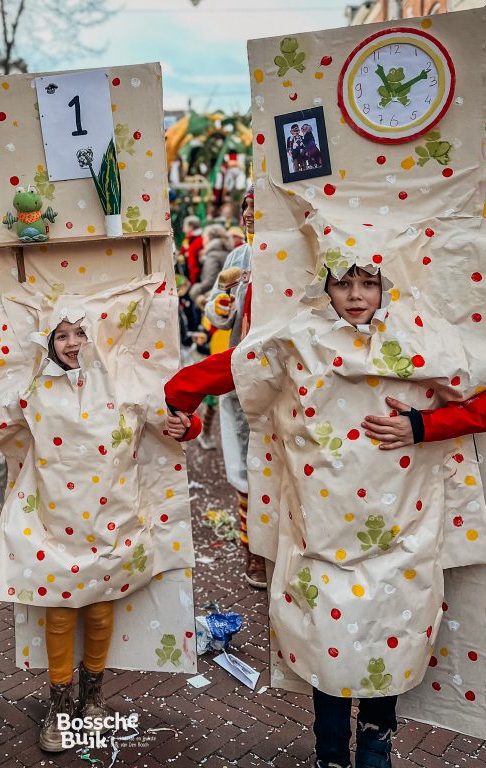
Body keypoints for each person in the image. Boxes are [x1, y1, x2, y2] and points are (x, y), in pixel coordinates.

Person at [164, 264, 486, 768]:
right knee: (326, 639)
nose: (355, 295)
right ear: (323, 286)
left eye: (367, 283)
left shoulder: (421, 341)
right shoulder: (298, 338)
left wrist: (422, 425)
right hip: (321, 531)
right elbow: (227, 368)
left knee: (387, 638)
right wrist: (181, 408)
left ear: (384, 286)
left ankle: (375, 746)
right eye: (342, 283)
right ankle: (330, 752)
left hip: (401, 532)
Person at [0, 294, 199, 753]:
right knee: (57, 609)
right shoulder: (33, 390)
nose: (72, 343)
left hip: (111, 518)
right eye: (62, 335)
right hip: (52, 521)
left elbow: (172, 421)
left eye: (80, 333)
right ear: (49, 342)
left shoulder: (126, 386)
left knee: (98, 608)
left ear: (94, 337)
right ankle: (58, 700)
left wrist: (186, 427)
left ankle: (92, 697)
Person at [200, 188, 264, 587]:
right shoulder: (238, 258)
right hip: (242, 373)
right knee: (244, 465)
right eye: (247, 210)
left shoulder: (300, 253)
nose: (252, 216)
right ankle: (252, 550)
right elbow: (217, 310)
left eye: (260, 210)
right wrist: (219, 306)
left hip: (289, 377)